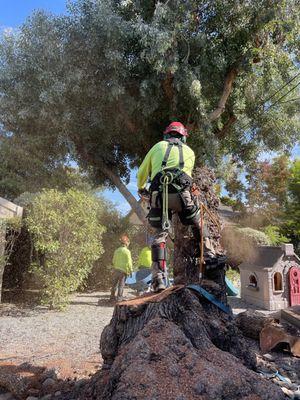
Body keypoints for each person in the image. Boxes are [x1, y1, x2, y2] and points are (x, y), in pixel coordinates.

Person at [137, 121, 215, 292]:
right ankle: (210, 257)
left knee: (160, 235)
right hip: (182, 196)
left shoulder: (157, 146)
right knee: (198, 223)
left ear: (167, 135)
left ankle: (159, 280)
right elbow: (186, 175)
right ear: (183, 137)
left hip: (159, 196)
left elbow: (142, 173)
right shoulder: (190, 152)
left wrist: (141, 188)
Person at [110, 235, 133, 301]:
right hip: (123, 271)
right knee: (121, 285)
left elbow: (113, 260)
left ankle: (112, 297)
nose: (129, 244)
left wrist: (115, 267)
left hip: (116, 270)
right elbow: (129, 262)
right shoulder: (127, 251)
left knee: (114, 284)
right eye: (128, 242)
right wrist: (130, 271)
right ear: (126, 243)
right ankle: (119, 298)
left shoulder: (117, 250)